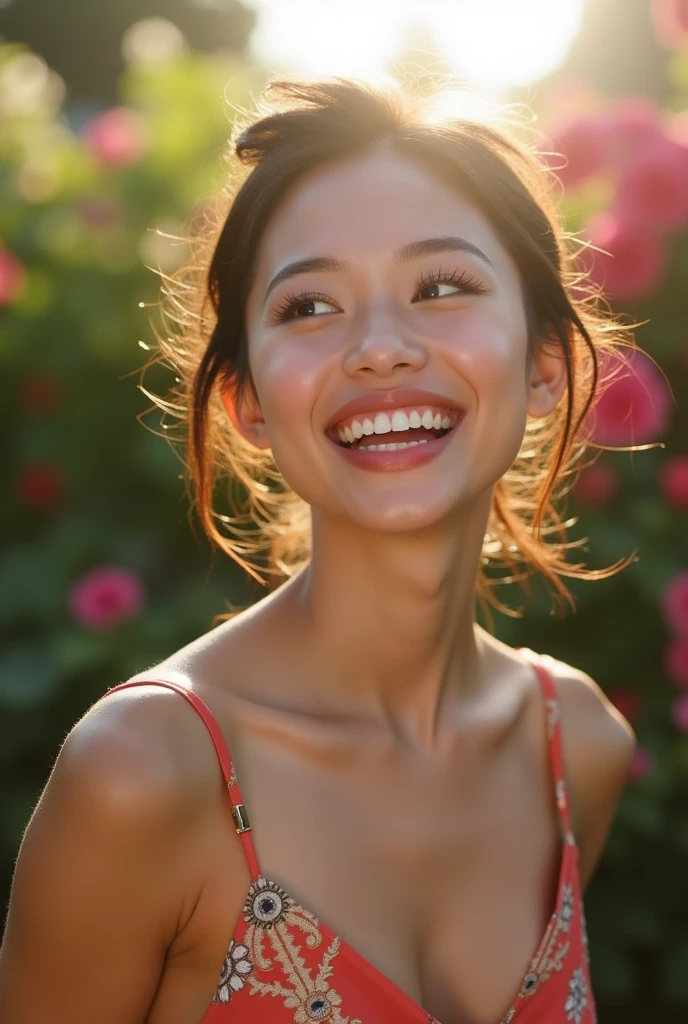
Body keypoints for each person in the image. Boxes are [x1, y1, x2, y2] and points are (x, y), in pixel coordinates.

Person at [0, 75, 637, 1024]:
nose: (380, 347)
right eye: (308, 306)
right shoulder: (140, 778)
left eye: (442, 286)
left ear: (546, 361)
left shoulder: (576, 749)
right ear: (247, 401)